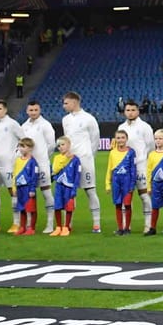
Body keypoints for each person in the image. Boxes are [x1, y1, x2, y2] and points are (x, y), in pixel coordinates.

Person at [61, 92, 103, 233]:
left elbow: (95, 139)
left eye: (66, 103)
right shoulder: (65, 120)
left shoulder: (88, 119)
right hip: (69, 161)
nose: (64, 106)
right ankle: (68, 224)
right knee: (69, 192)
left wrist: (89, 156)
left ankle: (96, 224)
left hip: (85, 160)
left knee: (90, 190)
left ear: (75, 102)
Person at [21, 101, 58, 234]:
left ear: (40, 110)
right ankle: (31, 225)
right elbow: (21, 144)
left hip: (41, 164)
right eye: (31, 110)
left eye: (36, 110)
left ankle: (50, 223)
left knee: (46, 192)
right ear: (27, 111)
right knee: (29, 194)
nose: (33, 112)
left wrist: (42, 157)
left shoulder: (45, 125)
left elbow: (51, 145)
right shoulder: (23, 126)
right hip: (27, 166)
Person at [120, 101, 156, 233]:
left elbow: (151, 146)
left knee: (144, 195)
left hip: (141, 165)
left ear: (138, 111)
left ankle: (148, 225)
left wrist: (144, 161)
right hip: (125, 168)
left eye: (133, 110)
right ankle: (125, 225)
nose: (130, 112)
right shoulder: (121, 127)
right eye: (128, 110)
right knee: (126, 196)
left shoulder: (145, 127)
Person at [0, 100, 22, 232]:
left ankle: (16, 223)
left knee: (12, 192)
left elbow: (23, 139)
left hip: (8, 164)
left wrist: (16, 155)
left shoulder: (12, 124)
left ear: (5, 110)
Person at [106, 129, 137, 236]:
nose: (120, 140)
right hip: (116, 181)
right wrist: (107, 184)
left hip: (127, 182)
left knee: (127, 204)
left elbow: (133, 169)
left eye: (122, 138)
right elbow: (109, 168)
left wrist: (132, 184)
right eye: (118, 138)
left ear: (126, 139)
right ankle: (120, 228)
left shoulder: (131, 152)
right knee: (118, 204)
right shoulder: (112, 153)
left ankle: (127, 228)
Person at [49, 136, 80, 237]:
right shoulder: (57, 158)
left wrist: (74, 189)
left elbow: (77, 175)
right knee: (57, 206)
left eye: (63, 144)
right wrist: (65, 159)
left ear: (69, 145)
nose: (61, 147)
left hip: (69, 187)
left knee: (68, 207)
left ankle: (66, 227)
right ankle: (58, 227)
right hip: (59, 186)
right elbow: (55, 170)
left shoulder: (75, 159)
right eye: (58, 146)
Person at [11, 138, 39, 235]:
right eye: (20, 146)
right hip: (20, 188)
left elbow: (34, 176)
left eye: (23, 146)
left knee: (31, 209)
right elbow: (15, 174)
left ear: (30, 148)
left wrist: (32, 189)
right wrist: (14, 187)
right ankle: (22, 227)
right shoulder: (18, 160)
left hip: (28, 188)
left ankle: (31, 228)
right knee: (21, 208)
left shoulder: (32, 162)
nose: (21, 149)